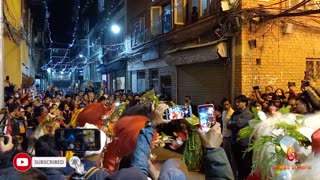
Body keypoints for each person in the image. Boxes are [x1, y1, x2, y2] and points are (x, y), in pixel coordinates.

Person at [227, 95, 253, 180]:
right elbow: (228, 124)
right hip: (234, 142)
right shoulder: (235, 113)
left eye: (238, 102)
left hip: (243, 144)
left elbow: (239, 124)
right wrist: (233, 123)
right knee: (236, 165)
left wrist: (233, 123)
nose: (236, 103)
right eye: (236, 102)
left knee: (244, 166)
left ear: (244, 103)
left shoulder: (248, 114)